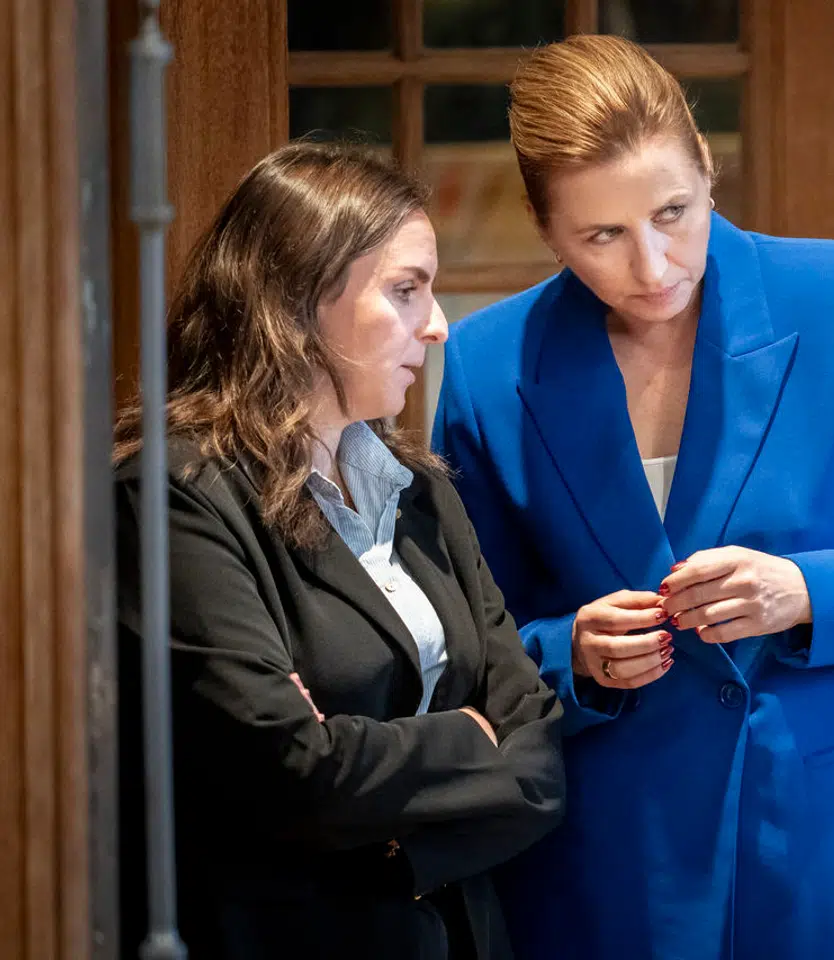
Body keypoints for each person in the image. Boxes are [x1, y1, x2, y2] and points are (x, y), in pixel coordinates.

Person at [433, 34, 834, 960]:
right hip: (611, 861)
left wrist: (805, 592)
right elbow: (470, 641)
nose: (653, 265)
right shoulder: (490, 365)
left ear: (706, 167)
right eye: (603, 236)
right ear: (544, 227)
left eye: (673, 213)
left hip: (826, 844)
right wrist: (571, 651)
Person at [113, 141, 564, 960]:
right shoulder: (175, 493)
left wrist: (394, 831)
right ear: (298, 297)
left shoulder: (421, 490)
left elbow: (539, 760)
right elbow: (292, 772)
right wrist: (474, 736)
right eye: (405, 290)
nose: (437, 324)